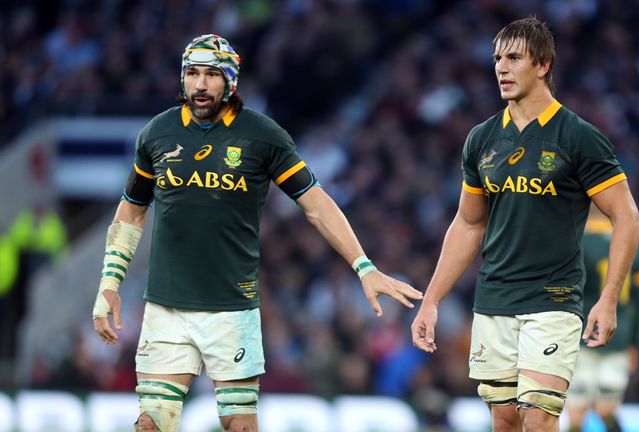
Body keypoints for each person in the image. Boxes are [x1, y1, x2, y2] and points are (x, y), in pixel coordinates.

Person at [92, 34, 422, 432]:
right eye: (192, 73)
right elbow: (131, 208)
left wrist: (364, 266)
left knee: (240, 426)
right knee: (151, 423)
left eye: (211, 75)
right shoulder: (157, 133)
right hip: (166, 307)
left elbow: (315, 204)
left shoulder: (262, 136)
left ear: (230, 81)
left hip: (232, 310)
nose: (199, 84)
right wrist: (110, 281)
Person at [410, 16, 639, 432]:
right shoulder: (481, 139)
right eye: (497, 57)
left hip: (553, 300)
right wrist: (432, 299)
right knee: (503, 420)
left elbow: (627, 218)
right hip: (495, 299)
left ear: (543, 65)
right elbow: (467, 224)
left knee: (538, 417)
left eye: (514, 57)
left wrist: (608, 298)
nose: (501, 67)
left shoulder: (578, 137)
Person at [566, 206, 639, 432]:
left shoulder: (577, 243)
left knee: (575, 413)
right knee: (607, 409)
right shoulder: (634, 246)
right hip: (619, 335)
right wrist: (634, 342)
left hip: (581, 334)